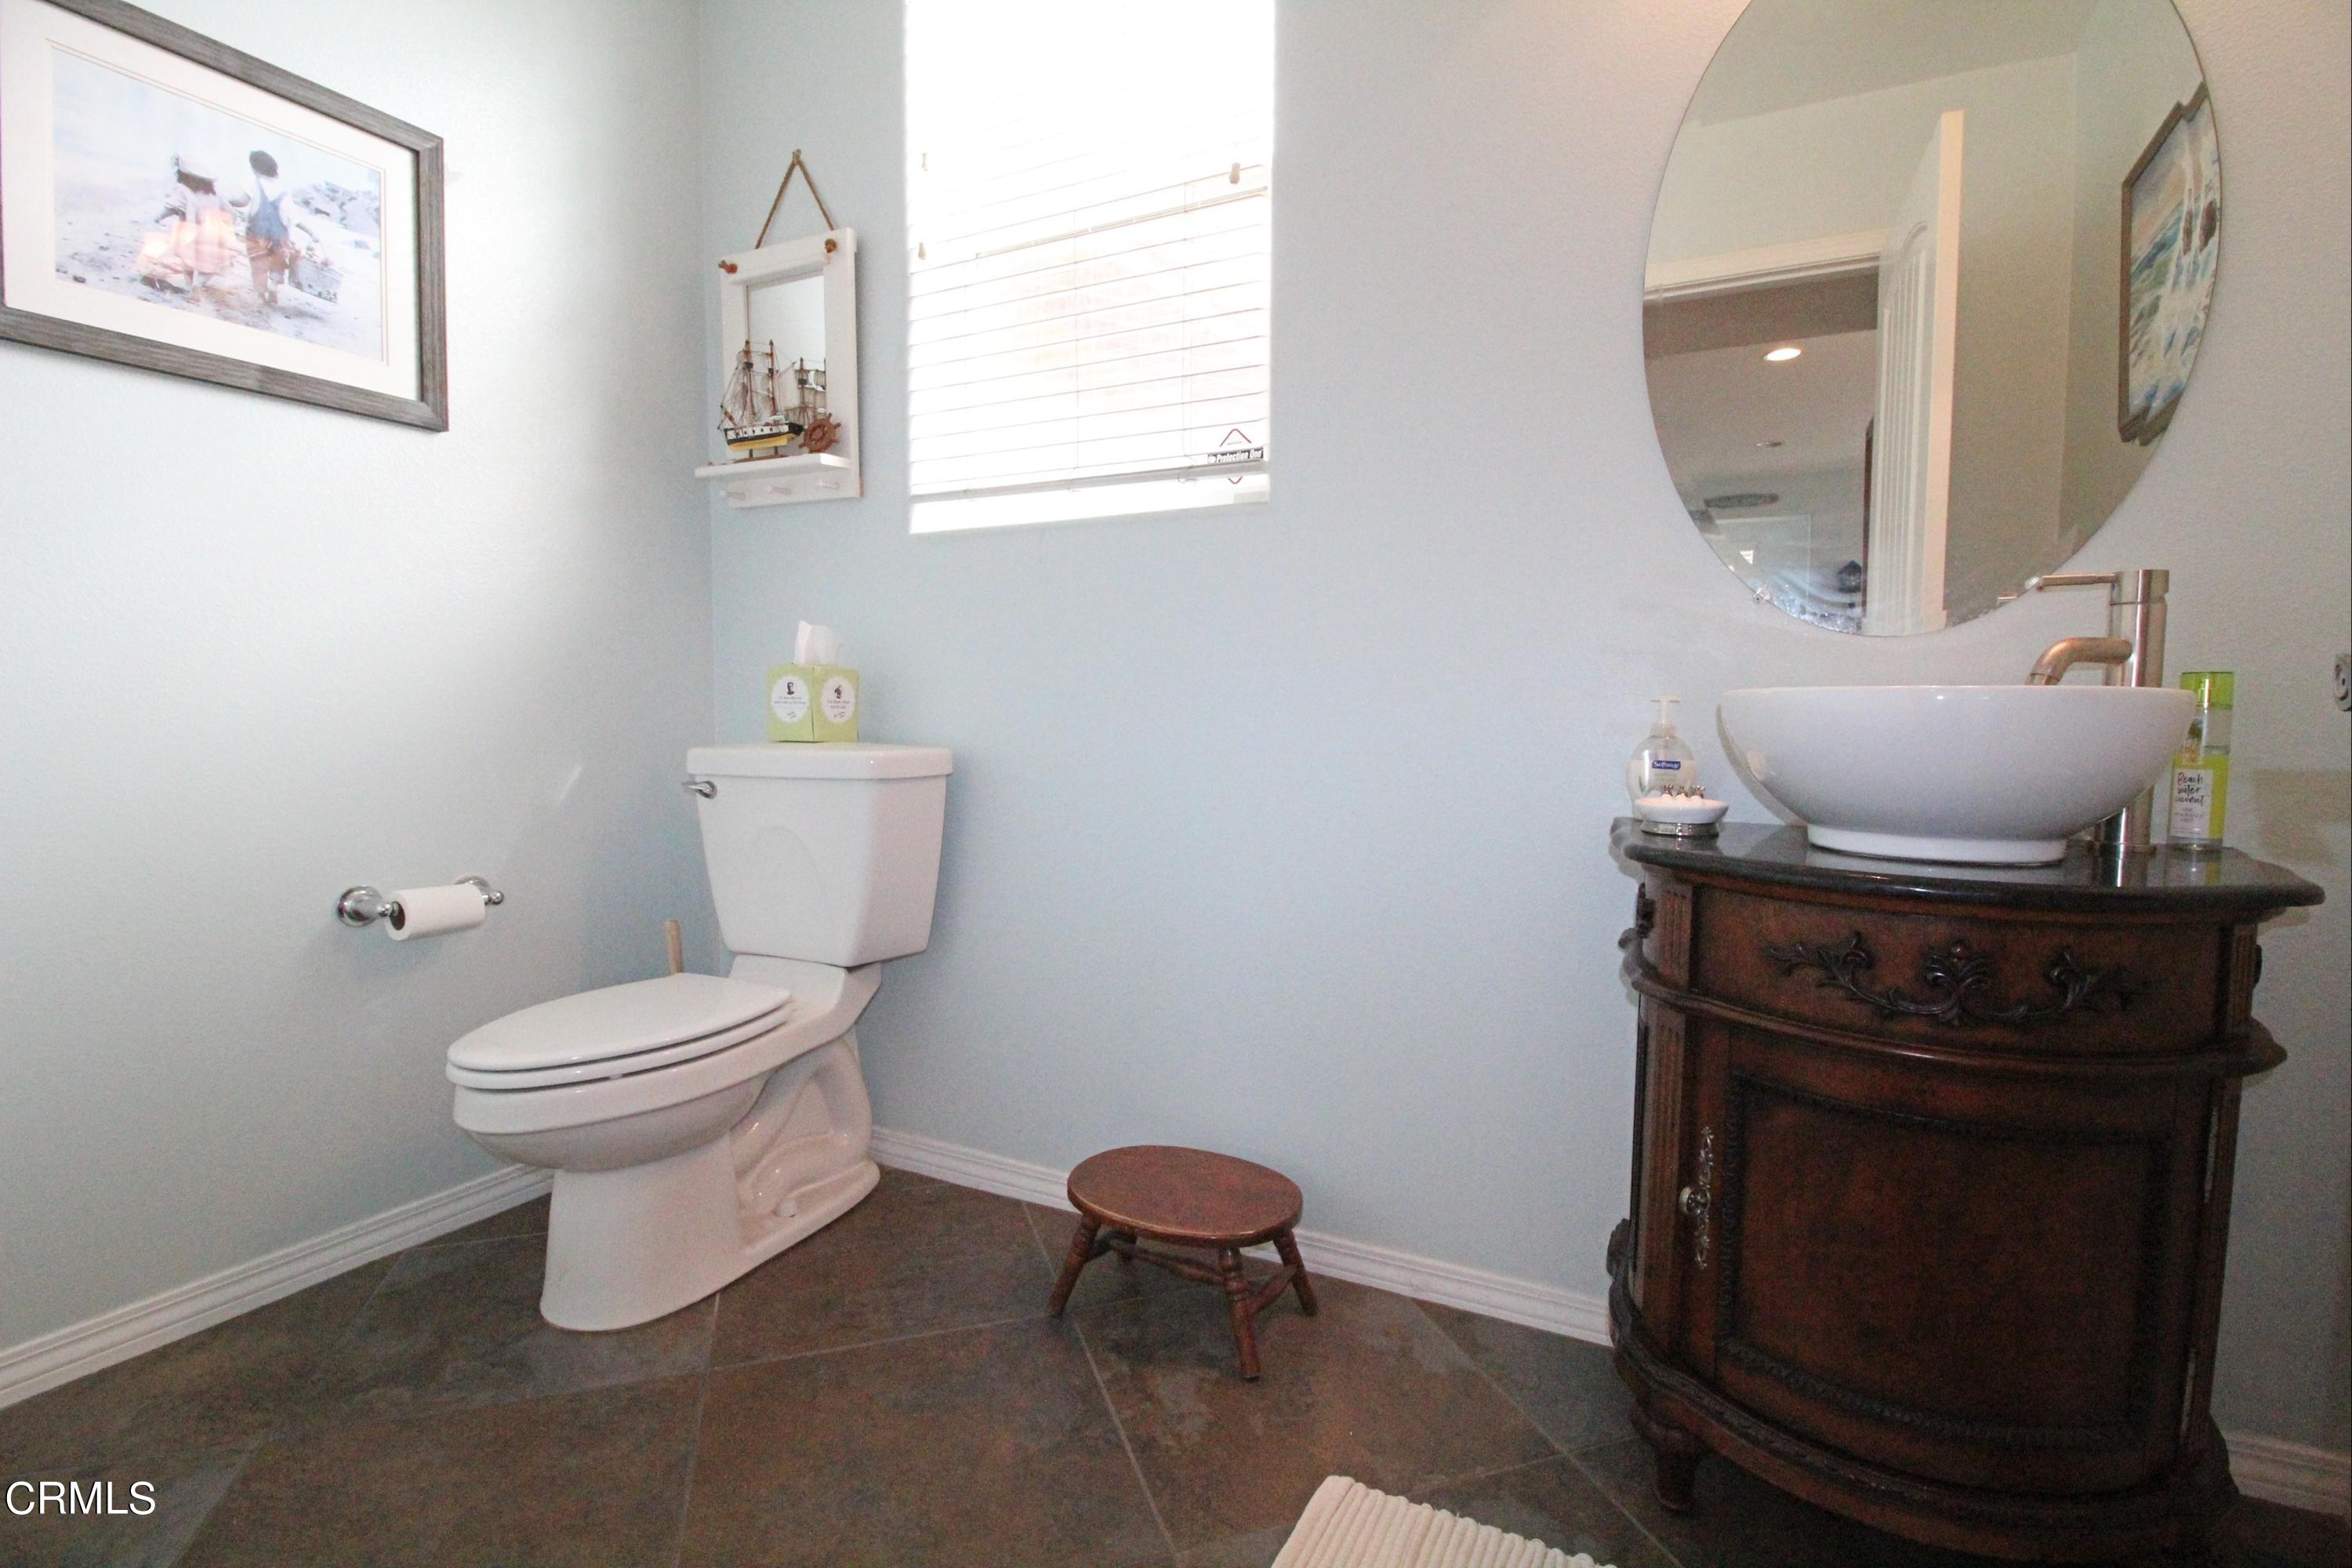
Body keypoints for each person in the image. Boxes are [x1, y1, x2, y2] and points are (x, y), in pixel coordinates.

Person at [138, 154, 243, 294]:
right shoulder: (216, 195)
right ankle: (197, 285)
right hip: (212, 237)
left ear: (183, 176)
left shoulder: (183, 191)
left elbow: (169, 210)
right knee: (211, 267)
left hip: (189, 234)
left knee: (187, 262)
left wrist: (156, 218)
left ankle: (189, 285)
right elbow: (232, 214)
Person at [242, 149, 294, 306]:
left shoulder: (254, 183)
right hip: (280, 236)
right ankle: (273, 287)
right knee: (278, 264)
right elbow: (291, 217)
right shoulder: (284, 191)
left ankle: (260, 296)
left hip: (257, 234)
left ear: (254, 169)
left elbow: (243, 201)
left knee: (259, 266)